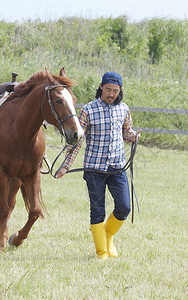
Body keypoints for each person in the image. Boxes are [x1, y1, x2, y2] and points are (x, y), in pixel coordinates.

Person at [56, 71, 141, 260]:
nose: (112, 94)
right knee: (97, 210)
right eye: (108, 89)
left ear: (120, 91)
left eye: (116, 91)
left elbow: (126, 132)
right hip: (94, 170)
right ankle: (102, 252)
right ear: (101, 87)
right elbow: (77, 141)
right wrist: (65, 166)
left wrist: (133, 136)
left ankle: (108, 234)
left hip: (117, 167)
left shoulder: (124, 109)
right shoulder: (88, 110)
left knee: (124, 207)